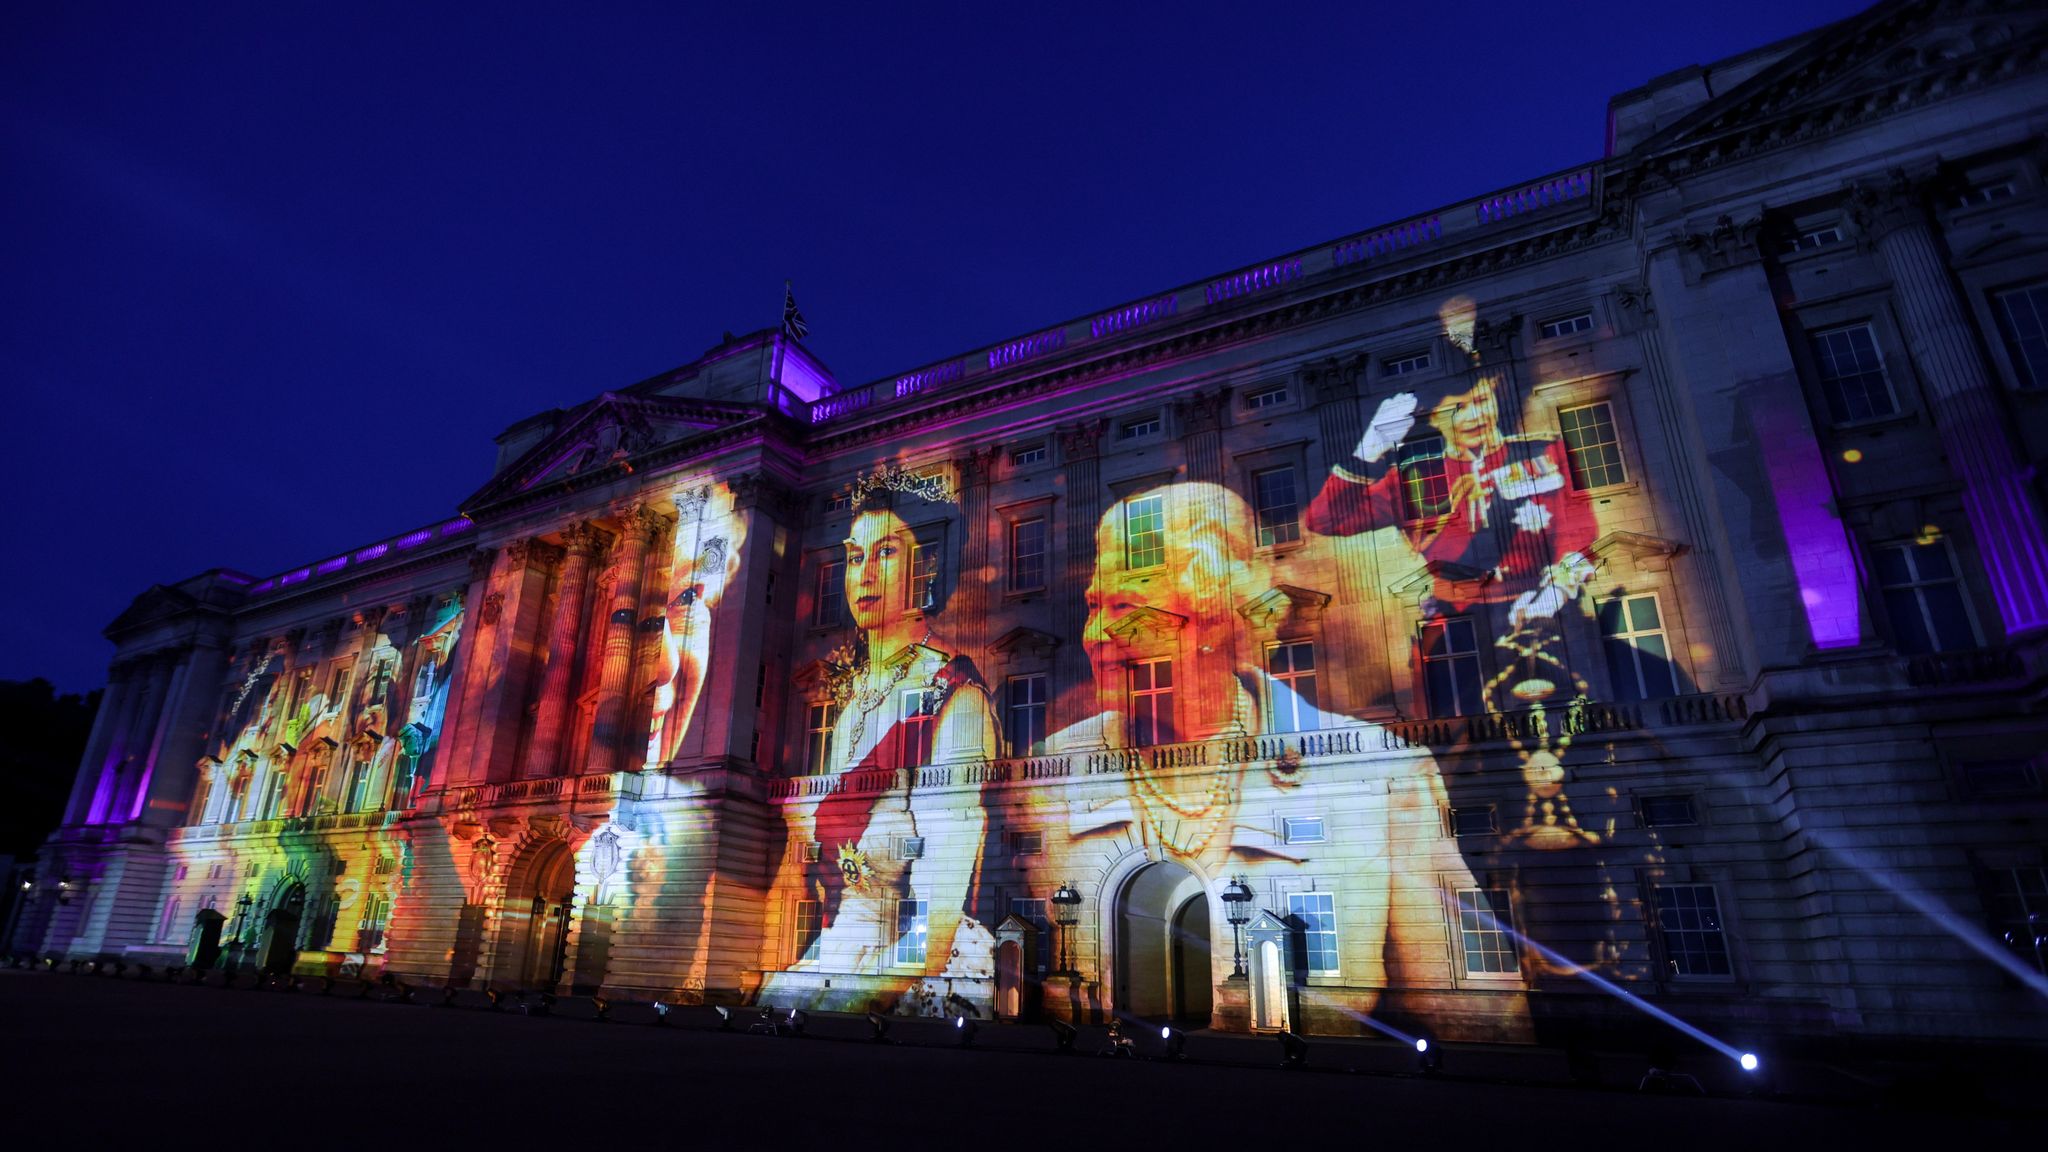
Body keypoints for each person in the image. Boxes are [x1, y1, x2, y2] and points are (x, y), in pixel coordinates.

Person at [1035, 482, 1526, 1028]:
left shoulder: (1389, 770)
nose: (1097, 633)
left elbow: (1470, 1000)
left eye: (1123, 603)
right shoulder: (1050, 768)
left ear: (1220, 600)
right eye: (1093, 606)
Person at [762, 469, 995, 1010]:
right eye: (855, 555)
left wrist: (856, 997)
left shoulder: (953, 693)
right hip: (851, 940)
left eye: (886, 553)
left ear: (926, 567)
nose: (864, 575)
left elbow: (935, 911)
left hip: (913, 960)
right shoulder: (852, 703)